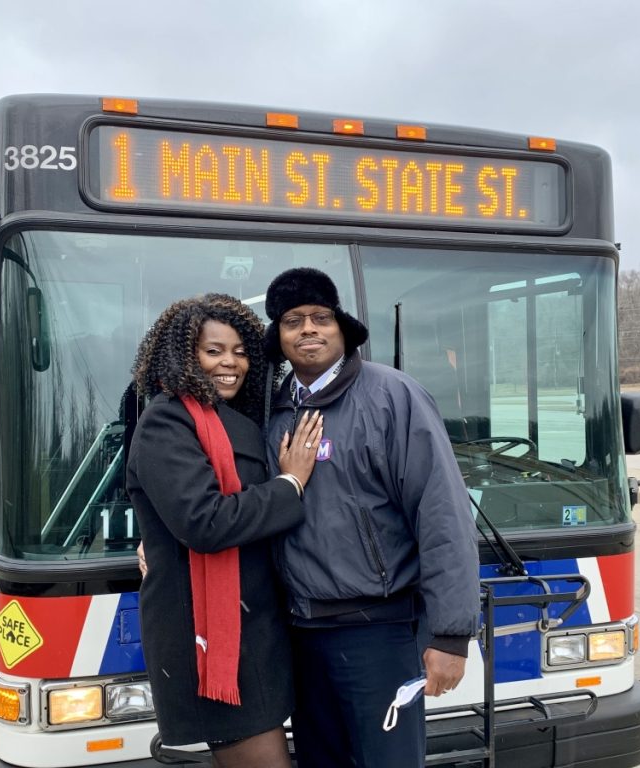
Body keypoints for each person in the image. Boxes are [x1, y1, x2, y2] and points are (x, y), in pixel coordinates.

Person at [262, 268, 481, 768]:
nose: (308, 329)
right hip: (299, 634)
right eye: (293, 321)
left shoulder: (393, 397)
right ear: (279, 337)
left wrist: (450, 635)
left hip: (377, 636)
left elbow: (443, 516)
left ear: (342, 328)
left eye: (321, 317)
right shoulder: (272, 411)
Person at [126, 294, 323, 768]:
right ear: (183, 355)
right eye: (213, 351)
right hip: (218, 636)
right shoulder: (167, 420)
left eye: (240, 351)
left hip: (257, 626)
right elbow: (204, 521)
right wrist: (291, 483)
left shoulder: (233, 420)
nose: (230, 362)